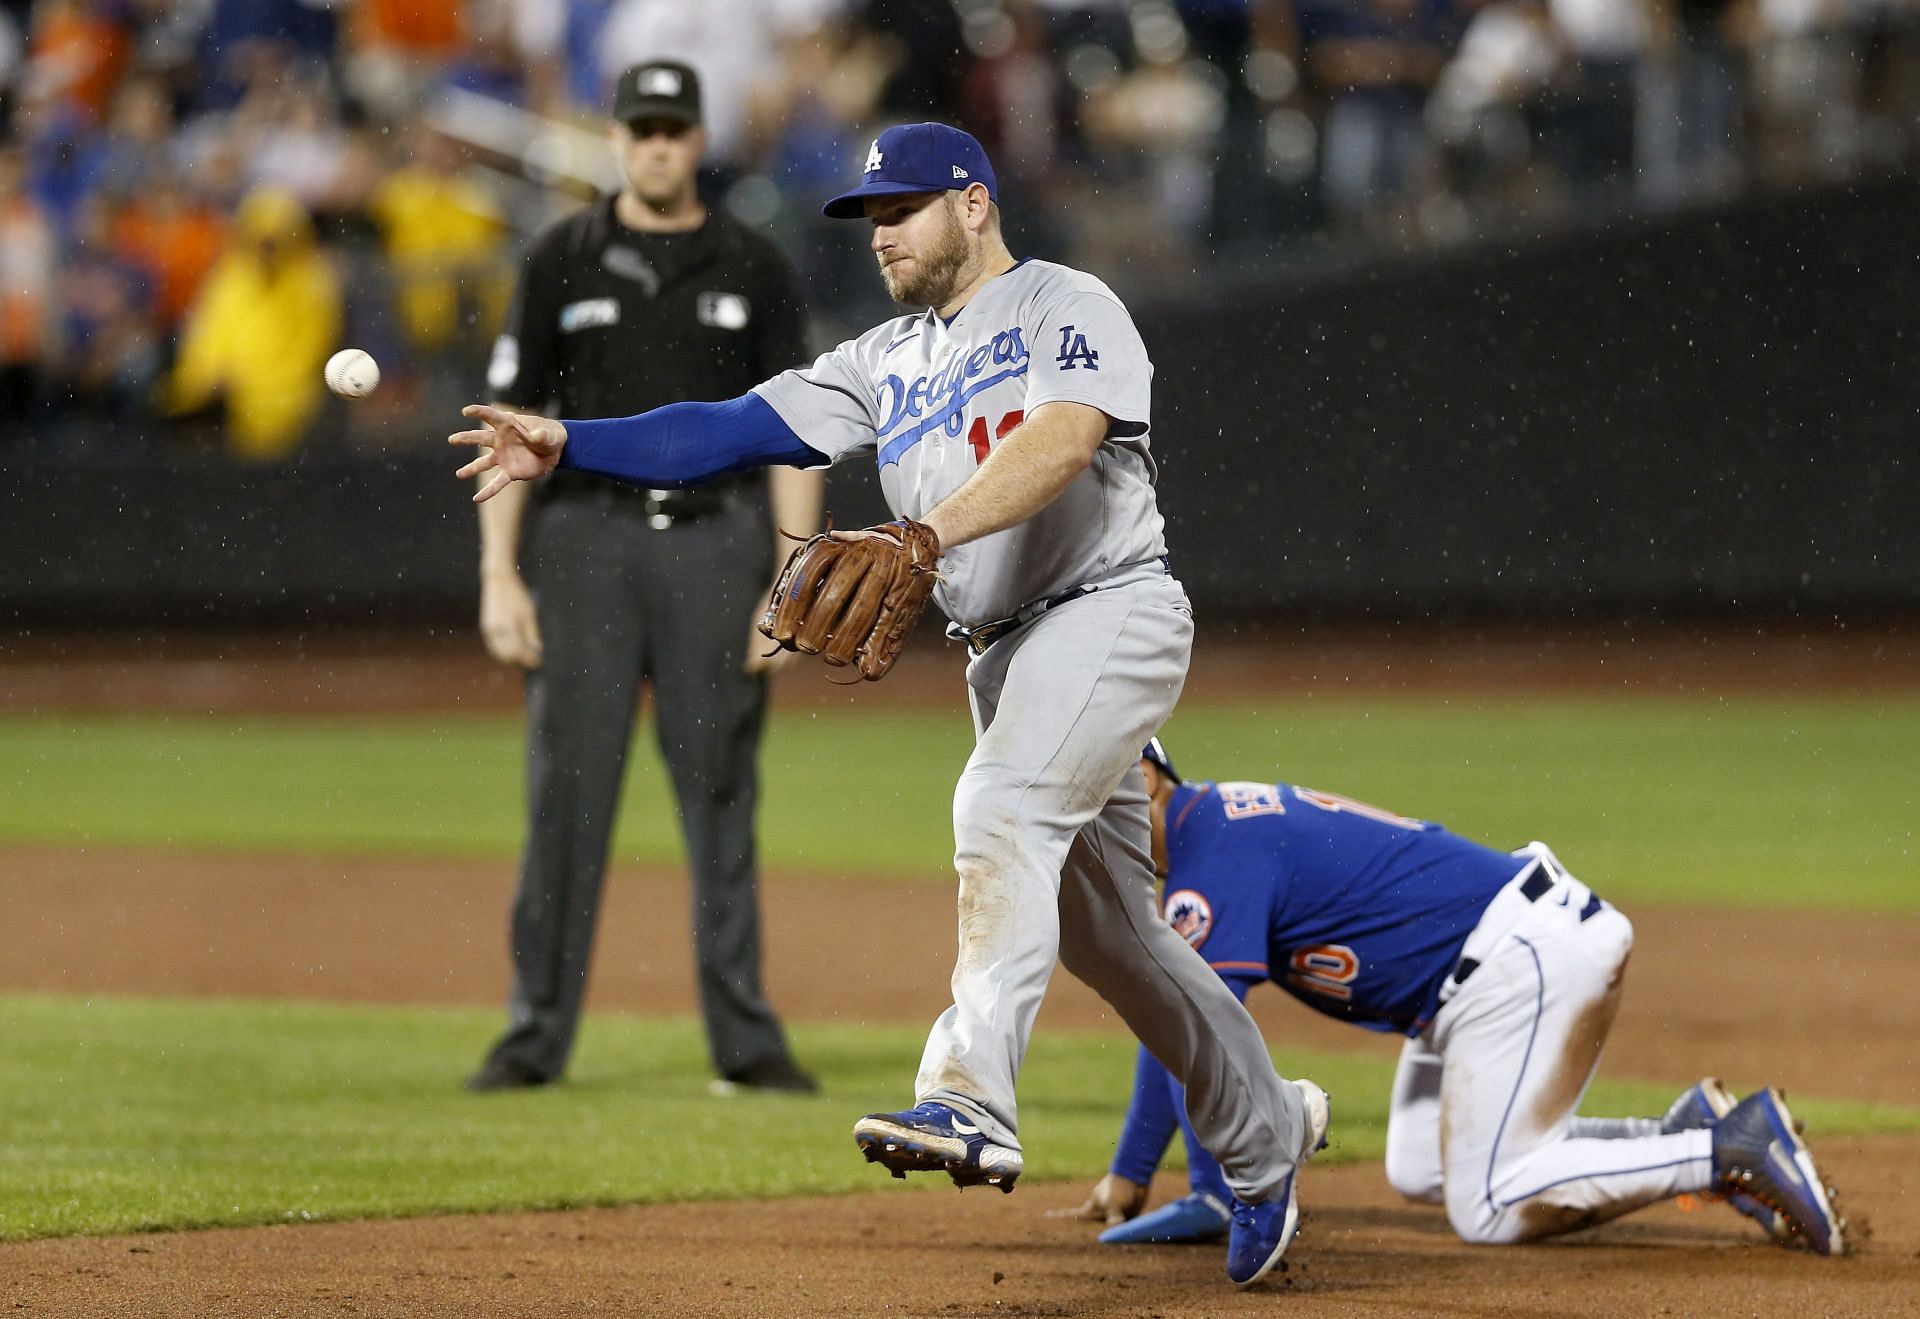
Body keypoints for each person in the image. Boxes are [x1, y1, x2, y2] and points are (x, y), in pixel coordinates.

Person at [449, 120, 1327, 1289]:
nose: (882, 235)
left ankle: (968, 1094)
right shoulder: (882, 359)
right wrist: (571, 442)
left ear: (972, 203)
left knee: (1000, 807)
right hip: (1006, 652)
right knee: (1113, 940)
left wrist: (923, 530)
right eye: (869, 217)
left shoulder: (1069, 303)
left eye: (903, 209)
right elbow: (725, 428)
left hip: (1112, 607)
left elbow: (1064, 442)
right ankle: (1269, 1136)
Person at [1062, 740, 1849, 1256]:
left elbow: (1197, 1033)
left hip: (1517, 960)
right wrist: (1132, 1172)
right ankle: (1682, 1131)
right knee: (1416, 1165)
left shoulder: (1210, 853)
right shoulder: (1218, 824)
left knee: (1490, 1206)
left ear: (1144, 779)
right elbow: (1178, 1019)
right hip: (1482, 971)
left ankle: (1728, 1149)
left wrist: (1216, 1189)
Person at [463, 60, 824, 1099]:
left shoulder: (752, 260)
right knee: (564, 794)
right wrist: (499, 576)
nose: (658, 144)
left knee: (721, 792)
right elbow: (506, 435)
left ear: (697, 138)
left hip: (718, 545)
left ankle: (746, 1039)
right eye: (641, 128)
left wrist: (791, 581)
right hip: (583, 546)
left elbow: (798, 434)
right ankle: (533, 1036)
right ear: (615, 139)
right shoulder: (560, 257)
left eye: (673, 127)